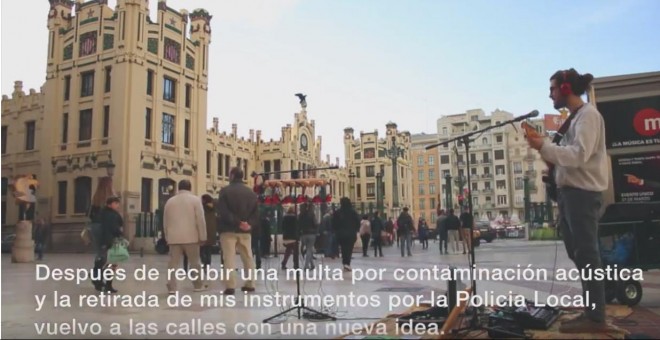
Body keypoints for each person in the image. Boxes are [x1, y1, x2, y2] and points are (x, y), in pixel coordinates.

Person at [526, 68, 608, 333]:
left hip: (582, 195)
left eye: (552, 89)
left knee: (588, 254)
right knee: (579, 254)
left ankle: (596, 318)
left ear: (565, 88)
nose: (549, 95)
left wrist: (543, 147)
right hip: (571, 194)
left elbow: (578, 156)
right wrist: (549, 162)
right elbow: (568, 159)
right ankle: (591, 313)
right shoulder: (575, 119)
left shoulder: (588, 116)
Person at [217, 167, 259, 295]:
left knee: (229, 258)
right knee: (248, 257)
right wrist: (248, 224)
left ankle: (230, 286)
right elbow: (256, 213)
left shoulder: (225, 191)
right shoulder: (251, 193)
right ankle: (250, 283)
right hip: (245, 231)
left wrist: (237, 222)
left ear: (232, 175)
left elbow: (223, 212)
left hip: (228, 230)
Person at [164, 180, 207, 294]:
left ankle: (172, 287)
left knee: (173, 264)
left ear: (178, 187)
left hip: (174, 238)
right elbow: (200, 220)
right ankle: (198, 285)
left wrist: (167, 236)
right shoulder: (195, 200)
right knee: (195, 262)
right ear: (190, 187)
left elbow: (165, 221)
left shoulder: (170, 201)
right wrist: (203, 236)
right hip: (191, 237)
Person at [97, 196, 124, 293]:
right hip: (111, 241)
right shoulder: (112, 215)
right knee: (112, 264)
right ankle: (106, 283)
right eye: (115, 203)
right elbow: (115, 228)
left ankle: (104, 282)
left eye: (118, 203)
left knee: (109, 263)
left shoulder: (104, 213)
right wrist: (120, 232)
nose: (118, 205)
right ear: (109, 204)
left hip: (104, 241)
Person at [332, 197, 360, 271]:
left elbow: (334, 223)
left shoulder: (337, 212)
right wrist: (356, 229)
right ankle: (347, 263)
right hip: (351, 233)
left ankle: (345, 262)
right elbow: (357, 222)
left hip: (340, 234)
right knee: (349, 248)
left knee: (343, 248)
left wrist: (336, 230)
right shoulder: (353, 212)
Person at [298, 202, 318, 270]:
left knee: (308, 249)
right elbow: (315, 223)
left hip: (303, 234)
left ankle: (312, 265)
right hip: (311, 234)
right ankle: (306, 266)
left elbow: (298, 225)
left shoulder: (300, 215)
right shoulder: (312, 214)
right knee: (309, 249)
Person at [201, 194, 217, 274]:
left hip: (203, 231)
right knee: (208, 250)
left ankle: (204, 263)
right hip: (211, 232)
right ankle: (207, 265)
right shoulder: (214, 208)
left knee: (202, 249)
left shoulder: (202, 208)